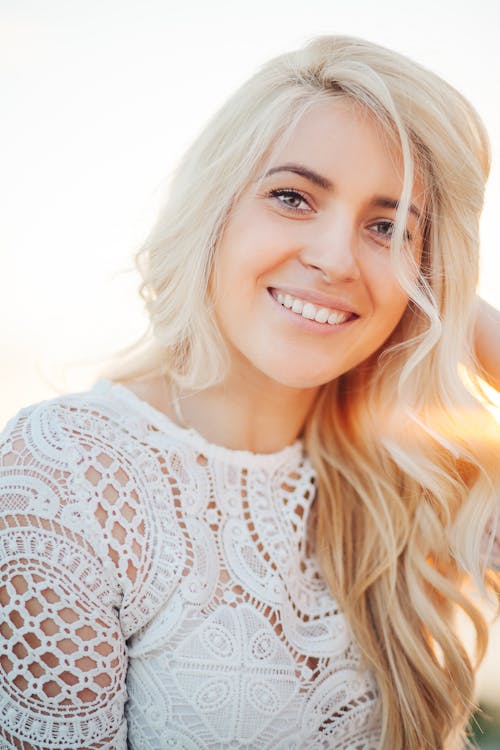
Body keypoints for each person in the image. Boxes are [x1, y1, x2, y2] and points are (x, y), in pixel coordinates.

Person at [0, 35, 499, 750]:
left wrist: (462, 317)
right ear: (216, 210)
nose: (333, 258)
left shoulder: (410, 473)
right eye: (293, 197)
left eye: (387, 227)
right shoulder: (68, 473)